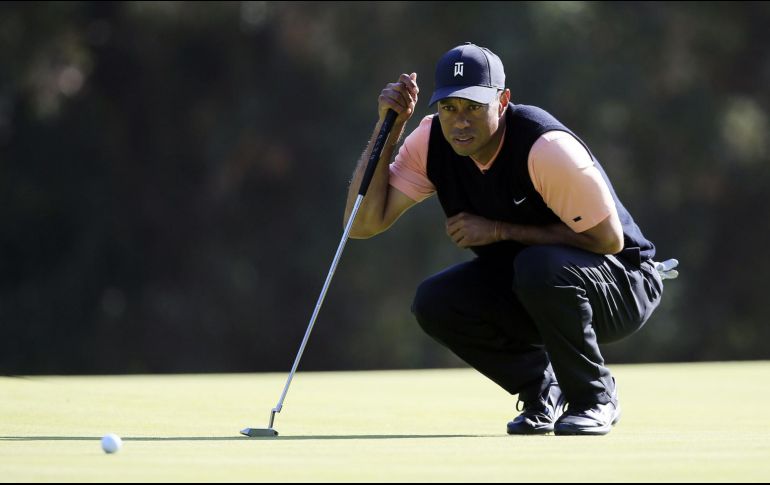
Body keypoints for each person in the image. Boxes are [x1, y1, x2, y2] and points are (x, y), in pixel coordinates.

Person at [343, 42, 668, 436]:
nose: (460, 122)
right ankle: (542, 390)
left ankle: (594, 398)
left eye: (473, 107)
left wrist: (499, 230)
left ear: (502, 101)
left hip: (623, 282)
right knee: (435, 301)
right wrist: (389, 129)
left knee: (538, 266)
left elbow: (608, 240)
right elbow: (361, 224)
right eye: (449, 108)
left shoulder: (544, 147)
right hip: (533, 285)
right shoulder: (430, 143)